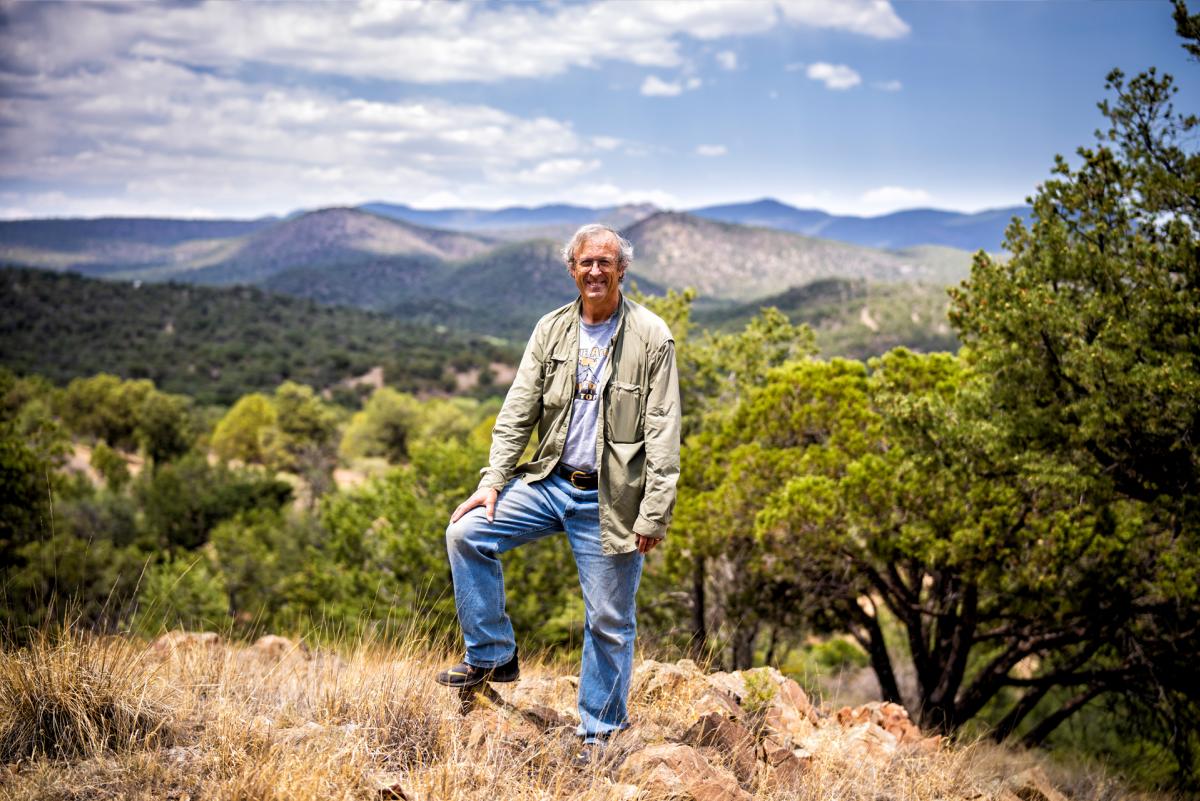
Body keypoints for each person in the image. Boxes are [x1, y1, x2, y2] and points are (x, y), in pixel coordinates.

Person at [436, 223, 681, 761]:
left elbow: (664, 429)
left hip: (610, 498)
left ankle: (601, 734)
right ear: (572, 269)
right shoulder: (550, 329)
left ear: (622, 271)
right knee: (467, 532)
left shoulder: (651, 335)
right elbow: (517, 410)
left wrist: (654, 512)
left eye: (606, 263)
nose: (595, 271)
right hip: (548, 481)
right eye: (586, 262)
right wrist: (493, 482)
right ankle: (493, 654)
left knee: (609, 620)